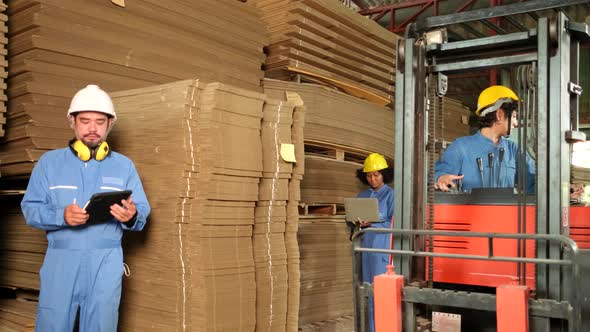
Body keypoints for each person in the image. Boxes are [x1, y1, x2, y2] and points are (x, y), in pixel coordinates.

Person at [21, 85, 151, 332]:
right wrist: (61, 216)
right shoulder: (49, 163)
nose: (93, 128)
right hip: (61, 261)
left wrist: (132, 216)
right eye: (85, 121)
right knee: (53, 324)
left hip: (106, 262)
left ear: (110, 124)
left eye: (100, 122)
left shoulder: (124, 166)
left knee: (102, 325)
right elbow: (30, 208)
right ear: (72, 121)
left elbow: (142, 209)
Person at [434, 85, 535, 193]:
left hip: (505, 210)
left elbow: (534, 182)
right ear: (499, 115)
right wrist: (441, 178)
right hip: (470, 210)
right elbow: (440, 172)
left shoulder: (513, 150)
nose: (515, 123)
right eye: (514, 116)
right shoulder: (460, 147)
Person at [355, 152, 394, 332]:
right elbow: (351, 220)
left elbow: (395, 222)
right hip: (365, 250)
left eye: (376, 175)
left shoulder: (391, 196)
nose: (372, 179)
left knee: (382, 293)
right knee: (369, 293)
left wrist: (374, 221)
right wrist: (356, 221)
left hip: (382, 249)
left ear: (384, 175)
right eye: (369, 175)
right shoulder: (362, 196)